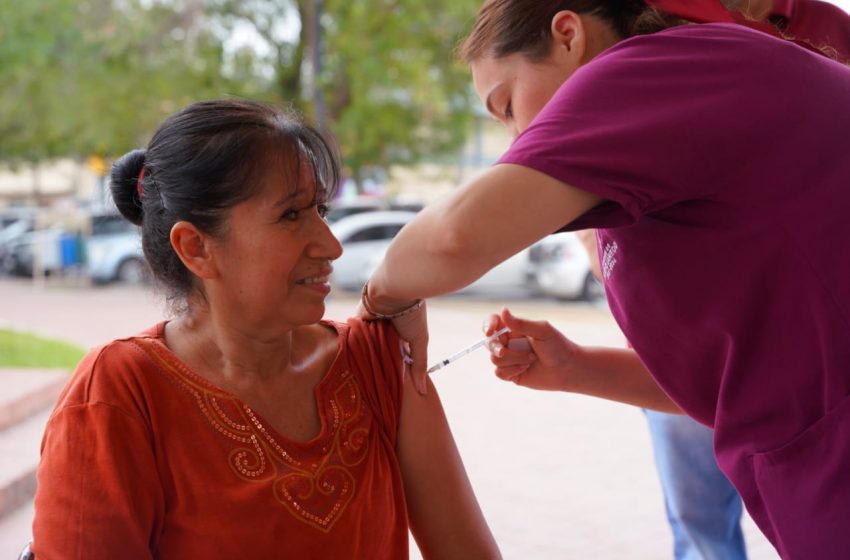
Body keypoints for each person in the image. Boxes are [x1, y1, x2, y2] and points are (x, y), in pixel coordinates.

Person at [357, 1, 850, 558]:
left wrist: (378, 299)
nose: (516, 140)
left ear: (569, 36)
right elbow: (733, 384)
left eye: (509, 106)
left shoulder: (652, 70)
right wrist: (575, 367)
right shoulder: (659, 131)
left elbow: (453, 240)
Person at [31, 100, 501, 560]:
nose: (331, 245)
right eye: (291, 215)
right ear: (195, 247)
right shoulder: (120, 392)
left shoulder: (377, 362)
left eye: (321, 209)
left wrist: (395, 292)